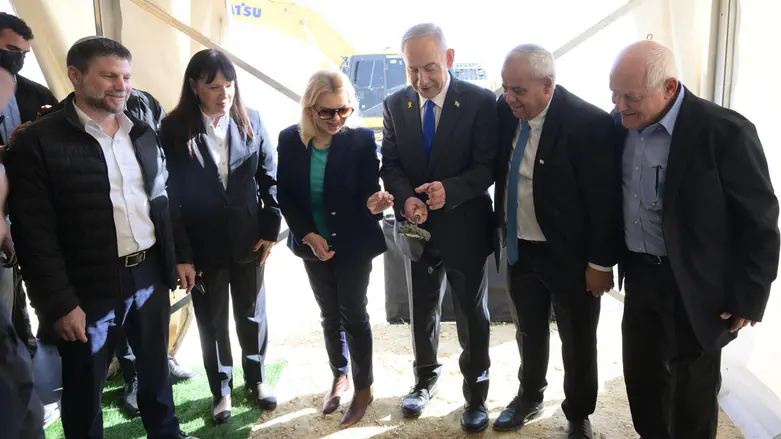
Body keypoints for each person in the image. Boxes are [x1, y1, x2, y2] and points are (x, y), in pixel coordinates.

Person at [5, 36, 198, 439]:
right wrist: (60, 304)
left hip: (147, 275)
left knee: (155, 373)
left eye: (126, 76)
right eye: (108, 75)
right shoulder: (39, 142)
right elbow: (33, 235)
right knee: (84, 390)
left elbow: (164, 201)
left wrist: (180, 255)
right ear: (75, 75)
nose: (121, 85)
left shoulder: (142, 132)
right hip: (86, 288)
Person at [610, 40, 779, 439]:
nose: (619, 106)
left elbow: (759, 221)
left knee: (693, 388)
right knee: (643, 379)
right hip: (640, 275)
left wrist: (749, 295)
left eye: (630, 96)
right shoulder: (618, 126)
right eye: (614, 94)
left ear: (669, 87)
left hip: (699, 283)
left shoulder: (726, 131)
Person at [491, 44, 615, 439]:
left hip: (569, 255)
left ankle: (578, 412)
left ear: (547, 85)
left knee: (578, 337)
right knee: (527, 329)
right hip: (519, 248)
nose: (510, 98)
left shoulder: (588, 123)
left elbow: (604, 200)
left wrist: (600, 264)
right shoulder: (503, 111)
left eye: (519, 91)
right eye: (506, 88)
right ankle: (529, 397)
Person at [380, 23, 498, 433]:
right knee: (422, 310)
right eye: (412, 70)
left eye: (430, 68)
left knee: (471, 314)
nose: (421, 80)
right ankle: (425, 378)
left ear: (449, 59)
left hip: (465, 228)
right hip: (416, 230)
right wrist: (404, 197)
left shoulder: (482, 102)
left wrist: (450, 190)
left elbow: (487, 167)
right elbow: (390, 165)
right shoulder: (395, 104)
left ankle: (476, 393)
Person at [159, 48, 280, 424]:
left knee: (252, 313)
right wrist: (182, 254)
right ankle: (222, 389)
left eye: (229, 84)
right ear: (194, 86)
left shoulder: (252, 119)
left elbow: (270, 180)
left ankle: (257, 379)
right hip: (202, 246)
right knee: (212, 321)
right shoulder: (174, 128)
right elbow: (170, 196)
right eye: (213, 86)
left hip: (249, 239)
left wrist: (270, 231)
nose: (224, 93)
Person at [277, 69, 391, 427]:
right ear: (309, 109)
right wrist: (308, 235)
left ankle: (364, 389)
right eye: (327, 112)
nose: (337, 119)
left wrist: (375, 203)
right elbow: (287, 196)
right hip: (314, 244)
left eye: (344, 110)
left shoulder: (359, 140)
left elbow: (368, 192)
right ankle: (339, 375)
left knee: (354, 315)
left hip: (354, 242)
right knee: (329, 315)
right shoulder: (289, 140)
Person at [0, 11, 57, 355]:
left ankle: (30, 350)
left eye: (23, 54)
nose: (17, 60)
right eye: (9, 50)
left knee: (25, 293)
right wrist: (8, 150)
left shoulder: (36, 94)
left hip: (27, 215)